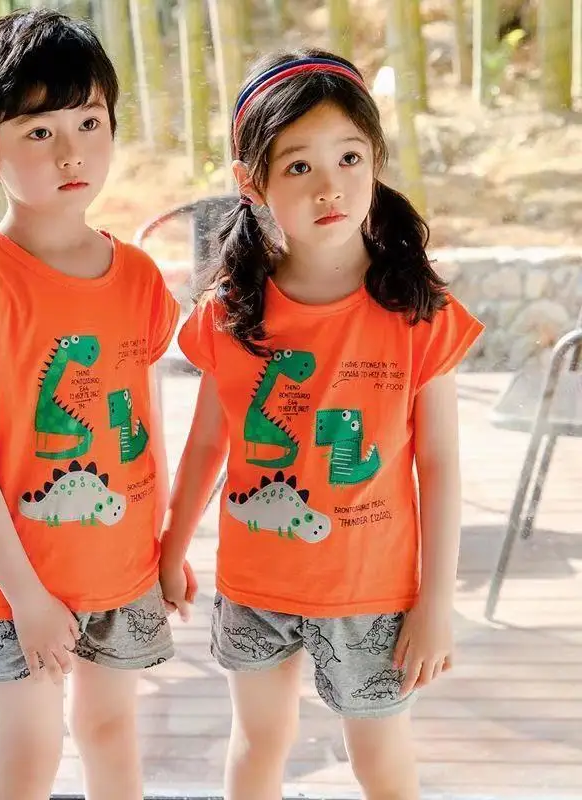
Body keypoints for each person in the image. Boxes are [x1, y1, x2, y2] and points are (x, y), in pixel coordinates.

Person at [159, 48, 484, 800]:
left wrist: (436, 605)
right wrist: (172, 548)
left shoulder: (419, 313)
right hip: (254, 583)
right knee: (257, 746)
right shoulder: (229, 313)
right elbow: (208, 441)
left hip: (374, 591)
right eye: (299, 166)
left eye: (349, 157)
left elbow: (439, 467)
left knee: (380, 765)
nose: (329, 186)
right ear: (253, 183)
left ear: (376, 161)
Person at [0, 10, 181, 799]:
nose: (72, 152)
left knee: (113, 734)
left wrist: (166, 546)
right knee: (29, 757)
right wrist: (28, 599)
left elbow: (146, 427)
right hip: (19, 586)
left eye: (89, 122)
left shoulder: (139, 278)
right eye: (39, 132)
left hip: (126, 569)